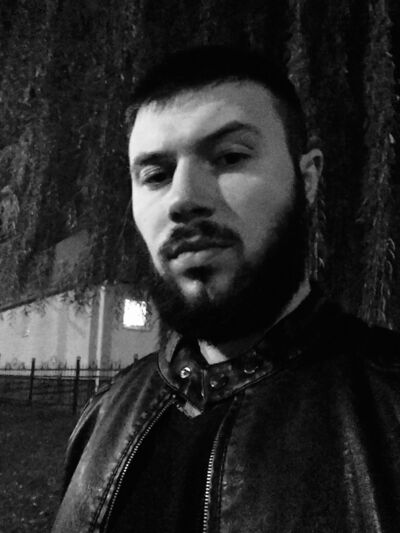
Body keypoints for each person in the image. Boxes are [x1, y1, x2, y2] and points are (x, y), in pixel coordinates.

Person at [52, 46, 400, 533]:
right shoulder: (102, 419)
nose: (183, 199)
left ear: (307, 179)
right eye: (155, 175)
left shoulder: (387, 408)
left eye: (230, 157)